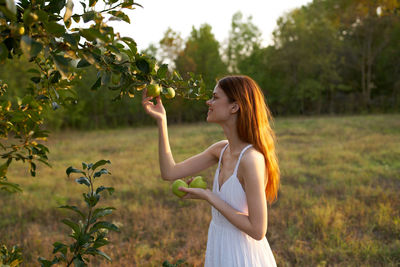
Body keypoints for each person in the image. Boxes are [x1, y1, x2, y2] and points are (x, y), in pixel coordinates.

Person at [142, 75, 280, 267]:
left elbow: (258, 230)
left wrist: (209, 196)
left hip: (243, 255)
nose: (208, 101)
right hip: (220, 246)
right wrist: (161, 121)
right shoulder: (221, 150)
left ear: (234, 107)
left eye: (215, 97)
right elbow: (170, 172)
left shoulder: (251, 159)